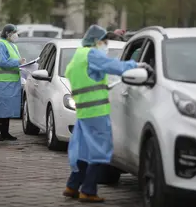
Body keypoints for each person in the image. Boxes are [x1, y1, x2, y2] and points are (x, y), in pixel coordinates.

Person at [62, 25, 152, 203]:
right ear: (97, 41)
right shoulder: (92, 54)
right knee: (99, 151)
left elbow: (87, 79)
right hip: (97, 112)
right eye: (104, 41)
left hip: (84, 112)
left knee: (84, 151)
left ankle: (72, 186)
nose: (105, 45)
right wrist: (136, 65)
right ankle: (88, 191)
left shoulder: (78, 57)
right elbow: (113, 65)